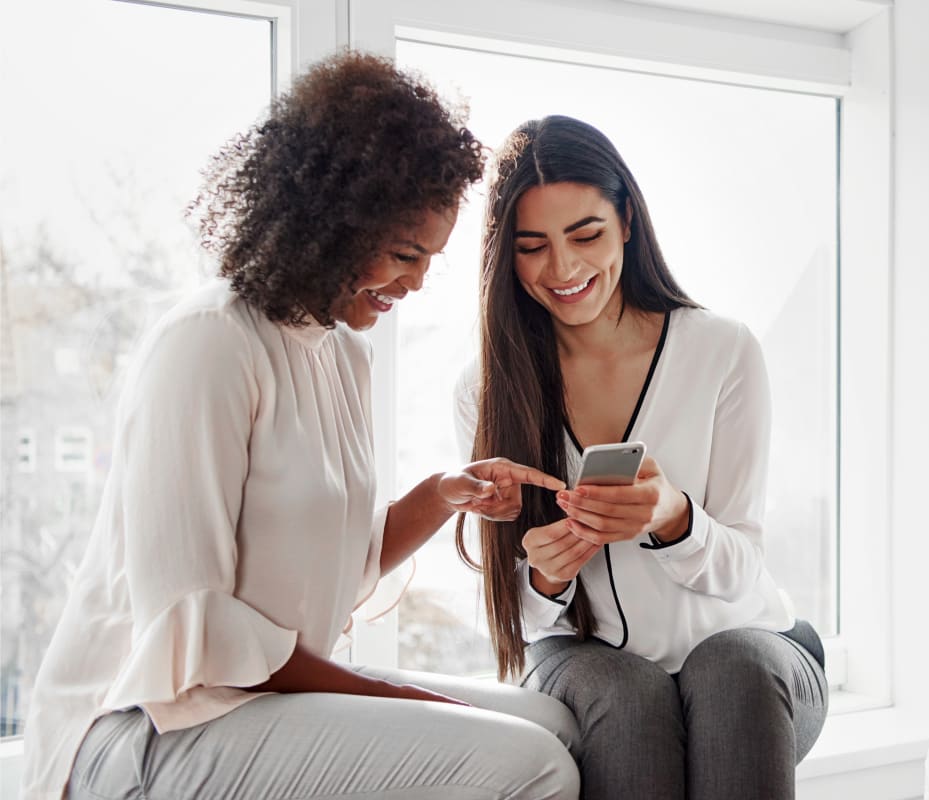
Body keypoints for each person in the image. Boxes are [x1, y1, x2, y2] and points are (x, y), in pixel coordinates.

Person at [21, 53, 581, 800]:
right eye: (404, 254)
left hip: (254, 698)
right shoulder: (208, 343)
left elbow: (332, 572)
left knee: (555, 721)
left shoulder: (342, 358)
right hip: (147, 726)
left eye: (430, 261)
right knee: (531, 761)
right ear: (329, 222)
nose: (415, 284)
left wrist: (445, 492)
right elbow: (198, 623)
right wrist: (407, 703)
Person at [454, 115, 829, 800]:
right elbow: (516, 617)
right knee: (627, 698)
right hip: (591, 666)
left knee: (732, 668)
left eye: (586, 234)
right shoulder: (486, 390)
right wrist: (543, 578)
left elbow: (744, 567)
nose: (563, 269)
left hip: (754, 655)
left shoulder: (722, 350)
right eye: (532, 246)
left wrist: (674, 517)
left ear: (627, 219)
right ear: (504, 255)